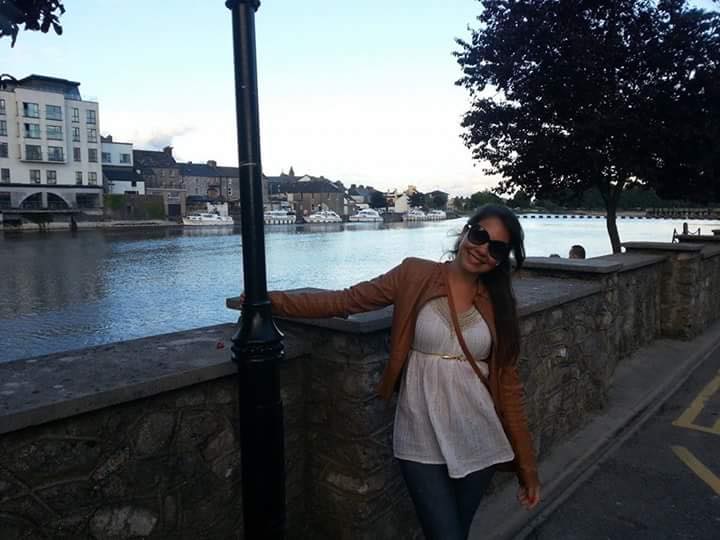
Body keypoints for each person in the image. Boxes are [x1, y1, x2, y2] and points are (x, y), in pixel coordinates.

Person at [241, 205, 540, 539]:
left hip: (477, 433)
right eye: (480, 235)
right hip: (420, 429)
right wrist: (268, 302)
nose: (483, 249)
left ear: (501, 260)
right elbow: (346, 301)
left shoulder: (499, 304)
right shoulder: (415, 274)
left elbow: (509, 388)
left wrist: (527, 468)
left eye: (496, 248)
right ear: (466, 231)